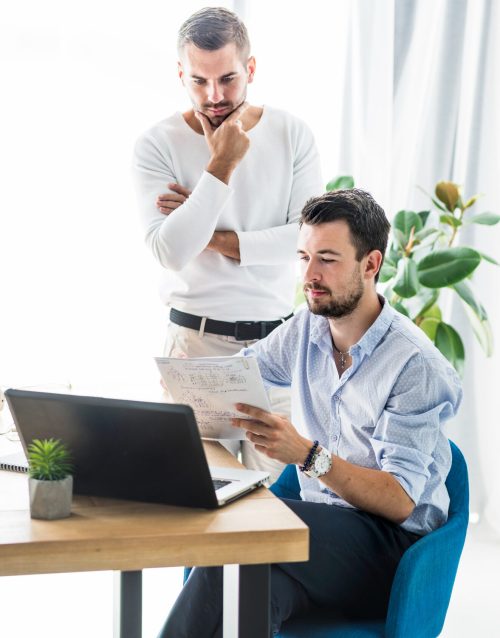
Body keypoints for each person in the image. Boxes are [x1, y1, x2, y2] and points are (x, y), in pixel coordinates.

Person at [157, 188, 463, 637]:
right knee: (250, 592)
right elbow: (243, 374)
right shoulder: (307, 327)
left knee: (241, 536)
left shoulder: (414, 365)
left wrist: (305, 453)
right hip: (323, 535)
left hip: (391, 552)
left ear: (371, 264)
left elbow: (400, 500)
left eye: (327, 259)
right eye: (303, 257)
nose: (310, 275)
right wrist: (190, 381)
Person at [132, 7, 322, 480]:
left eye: (228, 79)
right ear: (181, 74)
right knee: (196, 511)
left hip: (275, 352)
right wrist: (222, 165)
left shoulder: (292, 134)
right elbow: (170, 251)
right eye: (198, 81)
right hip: (195, 349)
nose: (214, 97)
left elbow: (304, 242)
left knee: (277, 513)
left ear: (251, 69)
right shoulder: (157, 143)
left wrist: (204, 233)